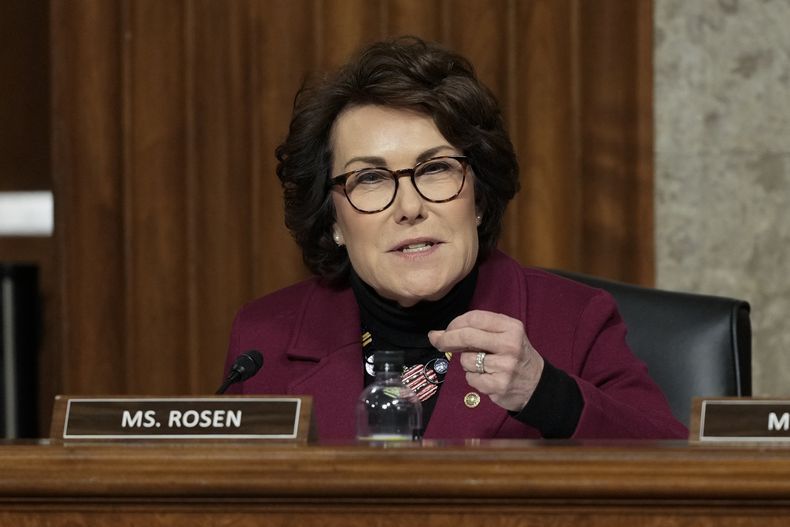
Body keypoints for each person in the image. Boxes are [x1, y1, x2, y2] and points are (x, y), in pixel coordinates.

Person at [224, 36, 687, 440]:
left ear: (479, 197)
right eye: (369, 179)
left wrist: (548, 394)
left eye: (436, 169)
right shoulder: (264, 339)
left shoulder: (574, 322)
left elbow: (679, 473)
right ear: (334, 222)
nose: (409, 208)